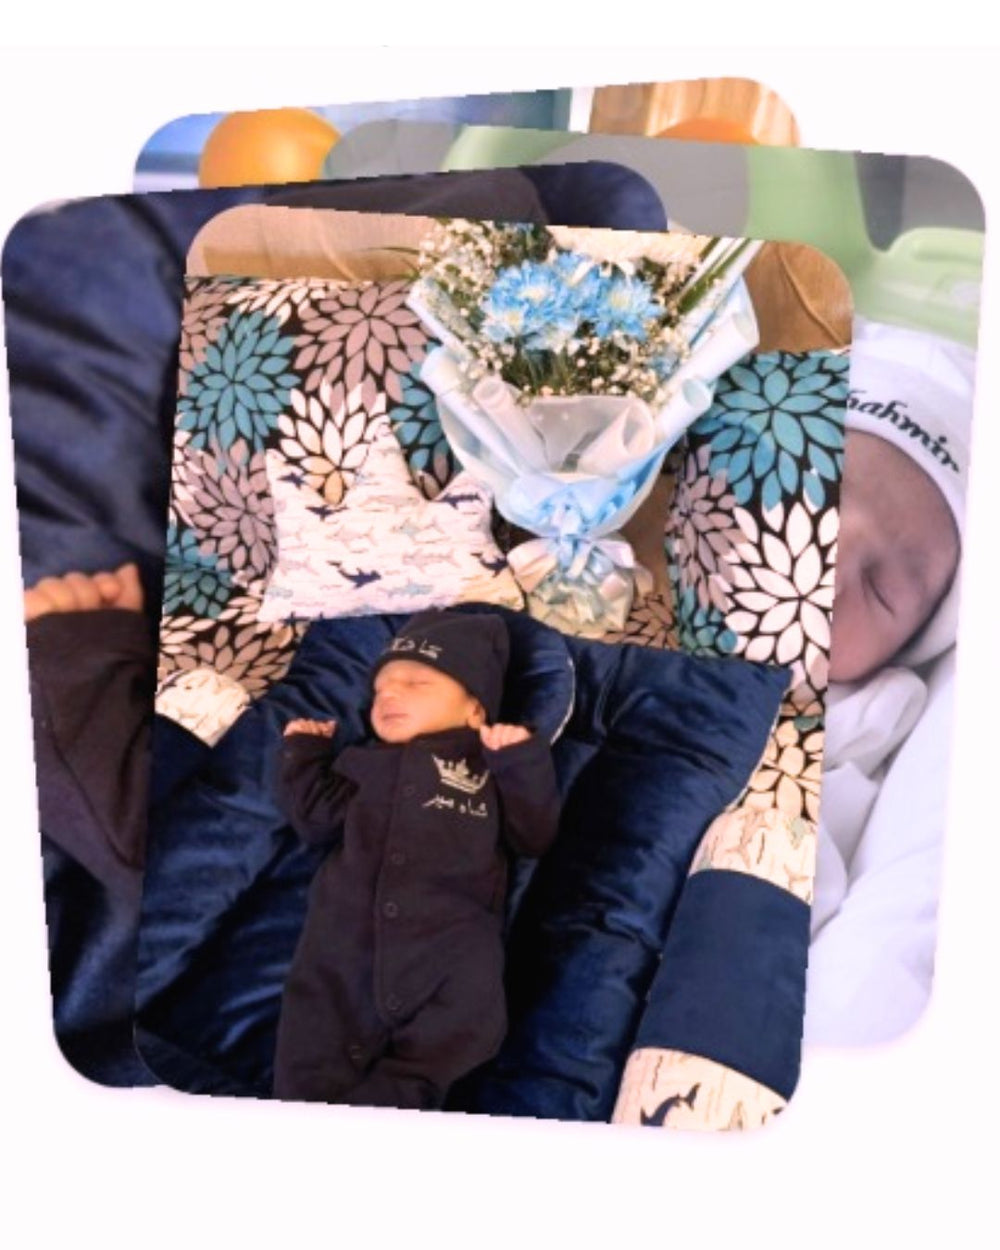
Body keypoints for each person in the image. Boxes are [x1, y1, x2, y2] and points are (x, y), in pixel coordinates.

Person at [272, 609, 561, 1108]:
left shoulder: (487, 767)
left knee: (467, 1021)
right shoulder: (362, 762)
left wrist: (521, 763)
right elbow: (316, 823)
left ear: (475, 710)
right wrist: (304, 756)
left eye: (415, 683)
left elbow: (533, 836)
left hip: (448, 943)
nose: (389, 696)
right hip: (344, 944)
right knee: (310, 1042)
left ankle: (401, 1101)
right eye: (380, 690)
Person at [805, 314, 974, 1043]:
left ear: (901, 658)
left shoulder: (854, 729)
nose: (832, 577)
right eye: (821, 502)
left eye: (882, 591)